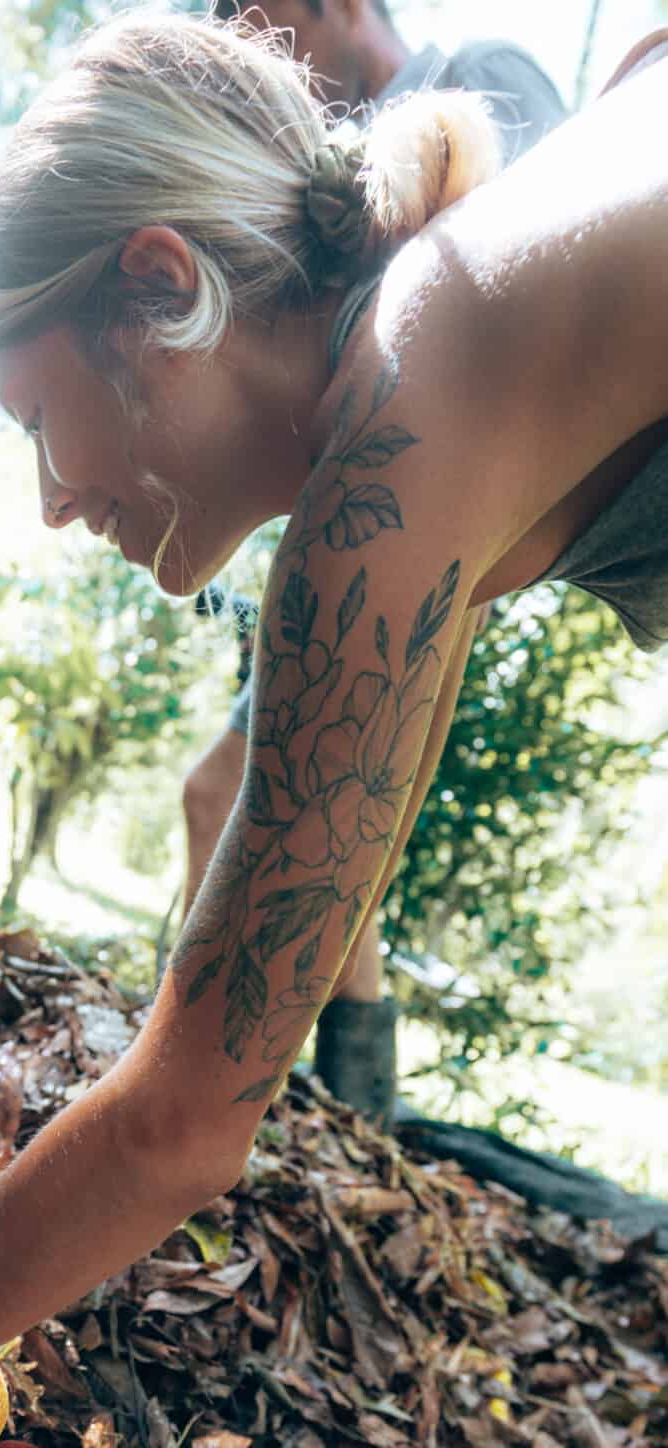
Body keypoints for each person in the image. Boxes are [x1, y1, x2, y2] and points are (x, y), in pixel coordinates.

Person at [0, 10, 668, 1448]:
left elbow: (187, 1117)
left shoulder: (411, 398)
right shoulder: (453, 353)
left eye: (34, 421)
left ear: (164, 289)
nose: (49, 498)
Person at [191, 0, 566, 1122]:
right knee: (302, 822)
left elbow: (542, 325)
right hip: (394, 541)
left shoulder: (479, 75)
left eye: (237, 16)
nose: (234, 44)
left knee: (237, 798)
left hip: (439, 539)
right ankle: (336, 1114)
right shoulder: (319, 173)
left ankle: (273, 1103)